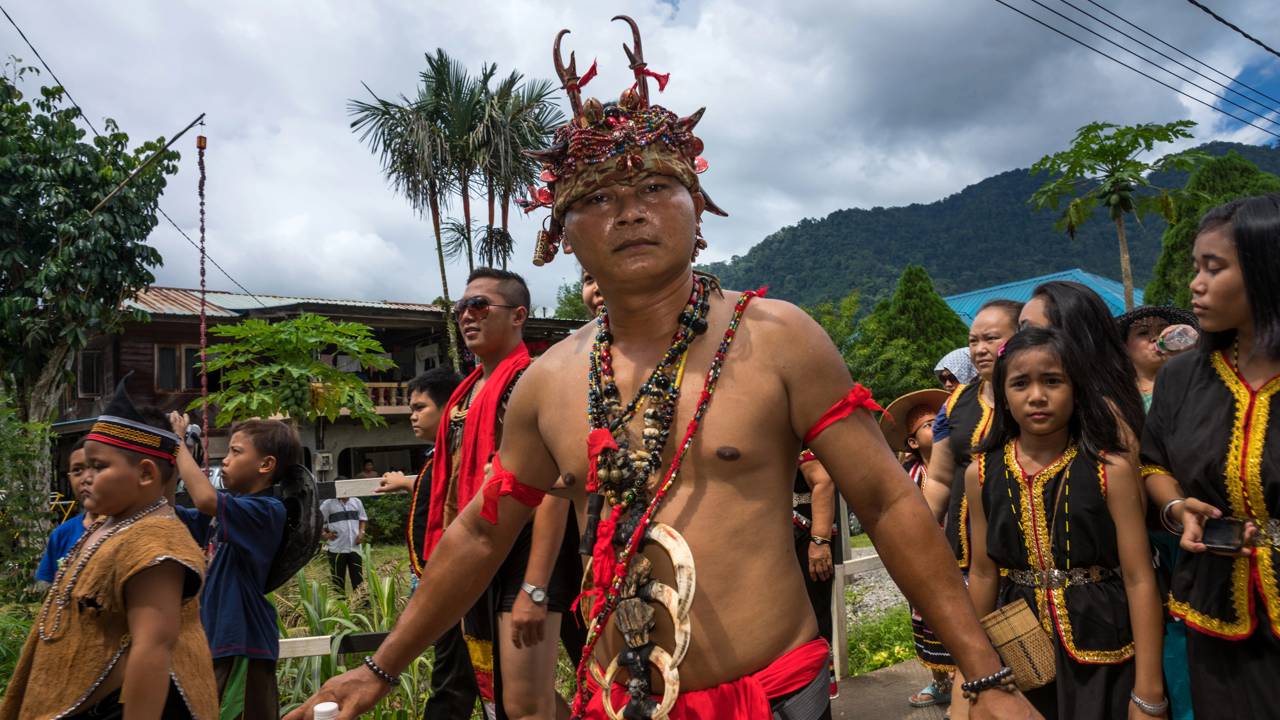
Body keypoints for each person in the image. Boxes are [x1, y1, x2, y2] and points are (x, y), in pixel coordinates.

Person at [286, 18, 1037, 720]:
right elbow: (481, 534)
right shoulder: (548, 382)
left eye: (653, 187)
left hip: (773, 694)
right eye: (599, 198)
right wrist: (380, 668)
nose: (630, 211)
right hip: (619, 699)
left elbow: (886, 501)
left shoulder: (777, 338)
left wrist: (984, 672)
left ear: (696, 207)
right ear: (562, 236)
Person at [966, 327, 1166, 718]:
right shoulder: (981, 474)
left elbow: (1139, 578)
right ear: (1003, 394)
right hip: (1018, 653)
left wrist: (1149, 692)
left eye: (1053, 381)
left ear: (1076, 388)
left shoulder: (1112, 469)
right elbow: (984, 573)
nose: (1037, 396)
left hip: (1106, 647)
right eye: (1020, 383)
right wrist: (971, 673)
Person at [1140, 194, 1280, 719]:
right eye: (1196, 267)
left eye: (1214, 267)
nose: (1196, 283)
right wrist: (1177, 508)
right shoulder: (1182, 376)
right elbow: (1153, 464)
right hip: (1215, 603)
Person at [422, 267, 583, 720]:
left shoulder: (532, 383)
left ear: (518, 316)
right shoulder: (467, 394)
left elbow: (553, 490)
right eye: (461, 308)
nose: (467, 315)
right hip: (482, 551)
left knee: (524, 703)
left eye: (480, 306)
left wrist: (535, 584)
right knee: (508, 699)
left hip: (529, 550)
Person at [1, 382, 217, 719]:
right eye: (81, 468)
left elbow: (153, 649)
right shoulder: (111, 525)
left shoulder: (157, 541)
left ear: (145, 473)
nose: (86, 477)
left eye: (99, 467)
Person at [171, 415, 302, 720]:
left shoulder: (266, 510)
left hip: (243, 642)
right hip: (218, 639)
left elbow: (204, 498)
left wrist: (179, 444)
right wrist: (167, 455)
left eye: (235, 452)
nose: (225, 460)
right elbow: (168, 513)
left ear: (265, 465)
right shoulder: (231, 510)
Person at [377, 367, 479, 720]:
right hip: (441, 585)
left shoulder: (461, 457)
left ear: (450, 406)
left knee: (452, 682)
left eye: (420, 408)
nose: (413, 417)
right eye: (411, 410)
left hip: (455, 587)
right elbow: (435, 498)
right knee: (455, 675)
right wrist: (406, 482)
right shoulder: (438, 459)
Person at [1117, 305, 1198, 720]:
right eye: (1143, 333)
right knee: (1167, 625)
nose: (1155, 339)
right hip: (1146, 536)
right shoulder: (1116, 402)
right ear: (1124, 348)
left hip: (1201, 524)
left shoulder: (1198, 386)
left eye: (1166, 331)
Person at [923, 300, 1023, 573]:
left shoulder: (1040, 402)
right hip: (965, 558)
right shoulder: (954, 403)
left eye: (991, 339)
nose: (979, 350)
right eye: (973, 341)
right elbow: (940, 479)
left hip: (1025, 557)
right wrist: (923, 537)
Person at [880, 389, 954, 709]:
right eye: (928, 424)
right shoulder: (907, 477)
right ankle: (940, 683)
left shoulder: (961, 466)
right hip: (923, 560)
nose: (936, 426)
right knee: (927, 622)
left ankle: (971, 683)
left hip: (960, 558)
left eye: (941, 421)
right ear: (912, 442)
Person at [1017, 281, 1145, 459]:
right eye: (1019, 329)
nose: (1019, 340)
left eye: (1027, 329)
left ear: (1070, 333)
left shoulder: (1105, 414)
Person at [793, 450, 841, 709]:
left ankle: (814, 703)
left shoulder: (799, 434)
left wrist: (820, 540)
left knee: (812, 622)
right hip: (789, 542)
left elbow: (823, 481)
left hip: (806, 542)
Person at [34, 437, 98, 591]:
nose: (86, 478)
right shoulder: (62, 534)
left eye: (96, 467)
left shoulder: (130, 532)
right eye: (77, 470)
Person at [1116, 306, 1199, 412]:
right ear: (1124, 347)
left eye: (1163, 330)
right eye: (1143, 332)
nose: (1156, 337)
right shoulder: (1119, 398)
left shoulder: (1192, 383)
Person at [321, 495, 368, 592]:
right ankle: (340, 604)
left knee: (358, 578)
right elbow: (317, 520)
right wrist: (325, 535)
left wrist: (361, 532)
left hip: (354, 547)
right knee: (338, 580)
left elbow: (362, 519)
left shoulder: (357, 502)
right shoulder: (328, 504)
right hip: (336, 549)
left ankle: (362, 603)